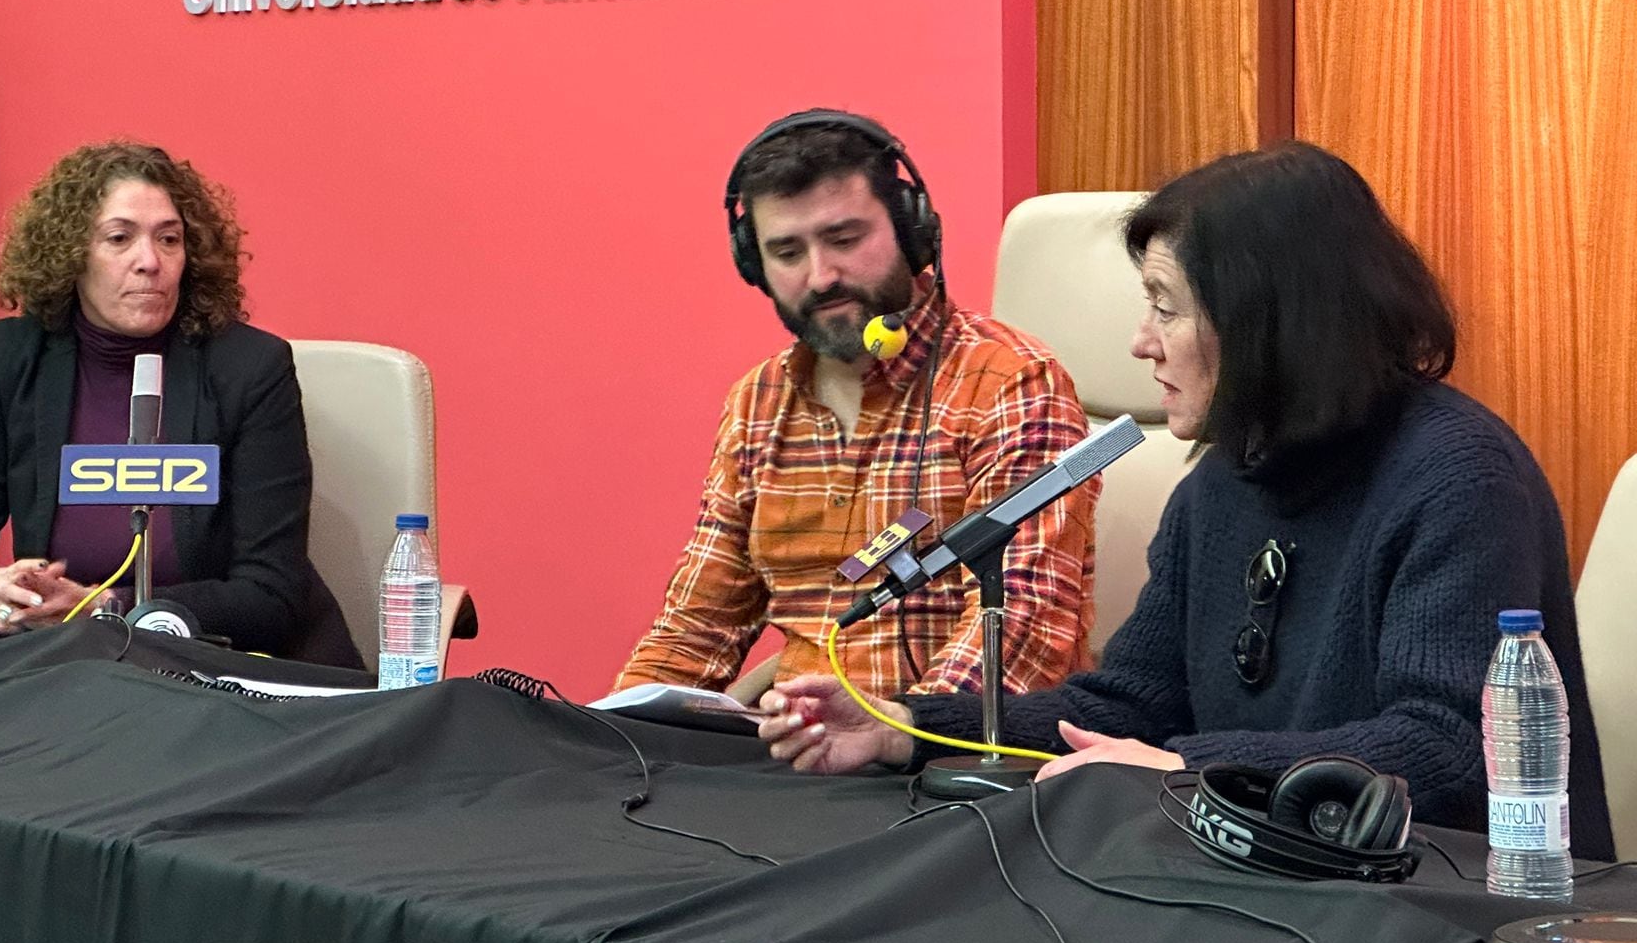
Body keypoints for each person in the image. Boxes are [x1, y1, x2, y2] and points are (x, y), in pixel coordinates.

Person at [757, 142, 1615, 860]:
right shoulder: (1221, 479)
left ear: (1264, 323)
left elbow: (1452, 749)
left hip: (1458, 912)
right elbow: (1126, 707)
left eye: (1164, 307)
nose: (1139, 342)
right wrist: (906, 726)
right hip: (1270, 873)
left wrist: (1182, 769)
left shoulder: (1459, 477)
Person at [615, 110, 1099, 701]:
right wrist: (612, 737)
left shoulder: (1008, 382)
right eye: (787, 252)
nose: (821, 276)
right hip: (789, 758)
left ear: (911, 231)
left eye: (845, 240)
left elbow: (1022, 633)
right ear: (754, 265)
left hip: (949, 761)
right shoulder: (758, 403)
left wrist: (892, 733)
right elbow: (697, 627)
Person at [0, 140, 360, 666]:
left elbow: (271, 591)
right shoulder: (9, 358)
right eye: (119, 239)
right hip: (69, 666)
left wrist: (107, 609)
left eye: (169, 239)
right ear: (70, 254)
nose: (150, 262)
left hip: (225, 665)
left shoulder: (250, 367)